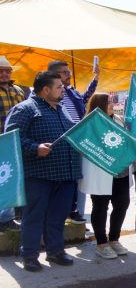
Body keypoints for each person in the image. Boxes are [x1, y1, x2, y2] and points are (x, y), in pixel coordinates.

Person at [6, 71, 81, 271]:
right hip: (38, 175)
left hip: (65, 174)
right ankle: (29, 255)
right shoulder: (25, 109)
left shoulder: (61, 109)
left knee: (58, 216)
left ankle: (55, 251)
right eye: (59, 87)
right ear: (46, 90)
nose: (63, 89)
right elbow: (12, 138)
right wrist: (35, 147)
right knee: (34, 216)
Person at [78, 93, 131, 259]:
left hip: (121, 172)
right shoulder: (89, 123)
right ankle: (101, 244)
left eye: (112, 101)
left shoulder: (119, 120)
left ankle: (114, 239)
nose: (112, 104)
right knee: (100, 207)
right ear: (99, 105)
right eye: (108, 102)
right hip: (101, 172)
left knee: (122, 204)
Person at [47, 60, 98, 225]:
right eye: (65, 72)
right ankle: (63, 213)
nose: (69, 75)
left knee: (77, 179)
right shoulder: (49, 95)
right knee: (63, 181)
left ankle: (75, 211)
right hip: (61, 143)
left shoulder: (72, 92)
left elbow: (85, 99)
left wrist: (95, 78)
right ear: (54, 75)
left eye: (69, 72)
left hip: (78, 141)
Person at [0, 56, 26, 232]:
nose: (4, 74)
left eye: (7, 71)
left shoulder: (18, 91)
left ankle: (7, 218)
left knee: (10, 177)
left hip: (15, 141)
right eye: (1, 71)